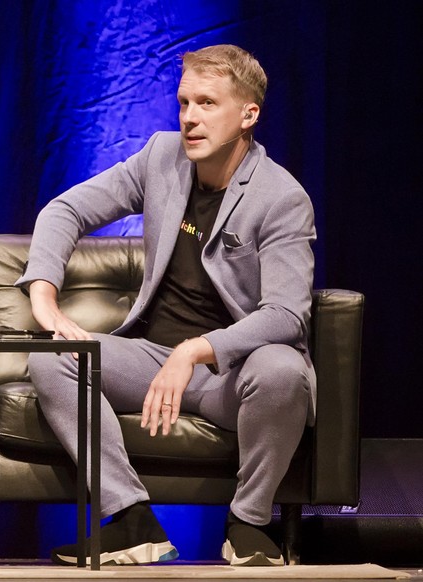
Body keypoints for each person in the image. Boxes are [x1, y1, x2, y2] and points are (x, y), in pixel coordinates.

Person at [18, 45, 315, 567]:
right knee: (51, 357)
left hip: (234, 373)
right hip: (150, 358)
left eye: (207, 103)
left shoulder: (281, 196)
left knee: (284, 370)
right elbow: (65, 209)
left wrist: (196, 350)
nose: (190, 118)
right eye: (183, 103)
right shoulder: (161, 157)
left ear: (248, 115)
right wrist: (44, 296)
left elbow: (287, 315)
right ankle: (131, 521)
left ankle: (247, 523)